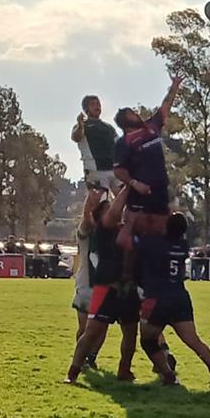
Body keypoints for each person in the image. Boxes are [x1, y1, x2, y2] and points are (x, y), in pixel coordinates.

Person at [138, 212, 210, 391]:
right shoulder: (182, 245)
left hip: (160, 298)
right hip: (179, 296)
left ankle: (168, 376)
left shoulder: (156, 244)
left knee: (147, 340)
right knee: (193, 340)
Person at [64, 185, 139, 384]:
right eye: (108, 209)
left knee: (131, 335)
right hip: (107, 288)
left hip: (127, 289)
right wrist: (127, 187)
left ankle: (124, 370)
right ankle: (73, 372)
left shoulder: (124, 229)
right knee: (91, 332)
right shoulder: (102, 230)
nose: (115, 211)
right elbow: (114, 211)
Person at [112, 73, 184, 271]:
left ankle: (158, 274)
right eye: (130, 113)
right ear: (124, 121)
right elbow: (118, 170)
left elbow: (165, 106)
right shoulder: (123, 142)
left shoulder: (152, 126)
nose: (135, 113)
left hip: (160, 189)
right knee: (136, 229)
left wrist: (174, 86)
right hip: (139, 193)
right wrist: (135, 184)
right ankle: (128, 276)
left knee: (161, 228)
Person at [70, 187, 109, 370]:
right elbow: (86, 217)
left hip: (105, 288)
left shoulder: (112, 234)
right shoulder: (87, 234)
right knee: (85, 328)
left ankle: (90, 358)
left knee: (101, 328)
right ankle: (81, 358)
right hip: (86, 286)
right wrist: (90, 197)